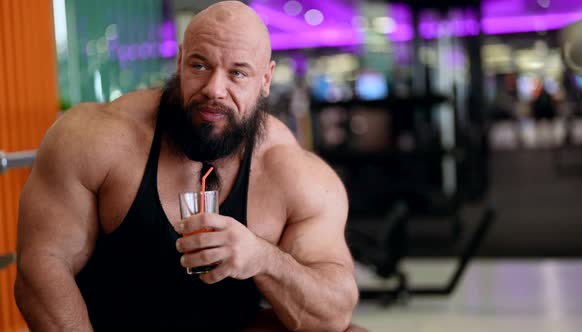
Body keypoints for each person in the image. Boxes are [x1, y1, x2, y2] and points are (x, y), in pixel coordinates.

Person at [14, 1, 359, 331]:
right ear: (180, 62)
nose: (214, 89)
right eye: (199, 66)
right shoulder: (96, 137)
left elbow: (333, 312)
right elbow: (41, 267)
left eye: (237, 73)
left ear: (265, 80)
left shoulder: (293, 172)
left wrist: (262, 258)